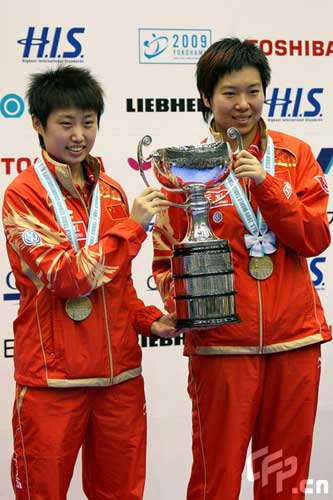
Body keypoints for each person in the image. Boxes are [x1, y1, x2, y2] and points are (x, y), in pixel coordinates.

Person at [152, 38, 331, 499]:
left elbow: (314, 238)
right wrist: (190, 310)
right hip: (222, 347)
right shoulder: (184, 167)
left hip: (292, 340)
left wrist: (268, 186)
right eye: (230, 93)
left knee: (282, 478)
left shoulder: (293, 156)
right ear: (207, 97)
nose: (244, 104)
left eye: (253, 91)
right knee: (218, 477)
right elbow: (166, 255)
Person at [2, 64, 177, 500]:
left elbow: (118, 286)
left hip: (118, 379)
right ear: (38, 126)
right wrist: (132, 228)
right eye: (66, 123)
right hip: (53, 381)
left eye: (88, 122)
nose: (79, 134)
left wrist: (147, 320)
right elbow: (68, 277)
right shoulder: (23, 195)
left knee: (121, 494)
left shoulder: (115, 193)